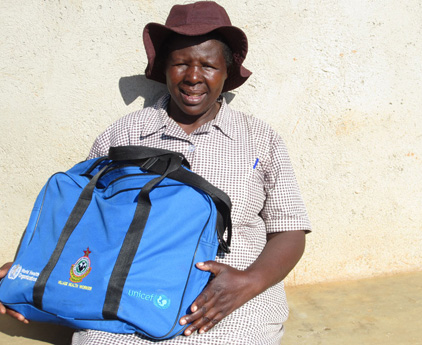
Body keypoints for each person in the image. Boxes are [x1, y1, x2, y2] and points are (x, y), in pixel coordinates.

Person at [0, 2, 311, 344]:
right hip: (125, 297)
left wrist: (248, 282)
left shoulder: (260, 139)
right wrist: (29, 270)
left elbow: (290, 230)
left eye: (208, 65)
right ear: (164, 68)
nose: (193, 76)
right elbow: (83, 217)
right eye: (181, 63)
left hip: (228, 304)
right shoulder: (126, 134)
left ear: (227, 73)